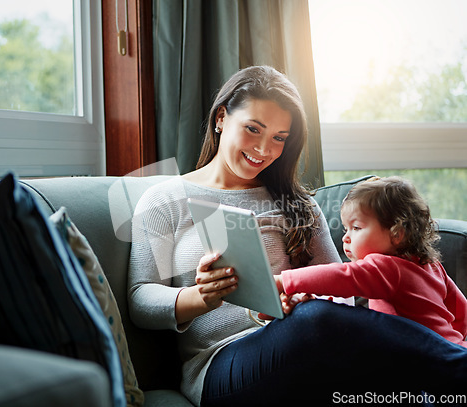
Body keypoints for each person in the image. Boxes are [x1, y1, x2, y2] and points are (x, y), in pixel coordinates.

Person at [128, 66, 467, 406]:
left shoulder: (296, 203)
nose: (264, 149)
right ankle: (455, 364)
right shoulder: (163, 199)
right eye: (252, 129)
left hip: (306, 350)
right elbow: (139, 298)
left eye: (278, 138)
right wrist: (200, 297)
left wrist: (302, 299)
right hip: (222, 367)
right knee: (313, 321)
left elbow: (344, 300)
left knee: (351, 351)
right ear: (220, 118)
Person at [275, 176, 467, 348]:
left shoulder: (387, 267)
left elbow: (342, 276)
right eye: (345, 229)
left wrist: (284, 281)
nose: (346, 238)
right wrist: (455, 340)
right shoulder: (431, 264)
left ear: (397, 234)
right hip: (452, 350)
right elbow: (460, 310)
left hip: (430, 360)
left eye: (356, 228)